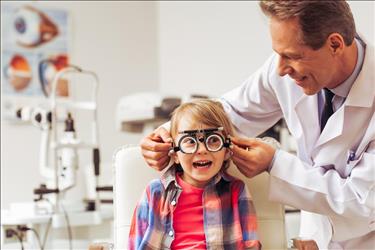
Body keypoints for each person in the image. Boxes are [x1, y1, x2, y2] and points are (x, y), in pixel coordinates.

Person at [140, 1, 375, 249]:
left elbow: (362, 200)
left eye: (292, 56)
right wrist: (168, 134)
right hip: (314, 239)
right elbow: (230, 113)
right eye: (277, 54)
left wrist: (275, 163)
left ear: (335, 44)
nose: (281, 69)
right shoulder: (284, 71)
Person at [129, 99, 261, 250]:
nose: (202, 149)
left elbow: (251, 244)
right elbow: (134, 243)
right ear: (175, 154)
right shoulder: (155, 192)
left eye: (213, 140)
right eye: (190, 141)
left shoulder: (237, 191)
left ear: (227, 150)